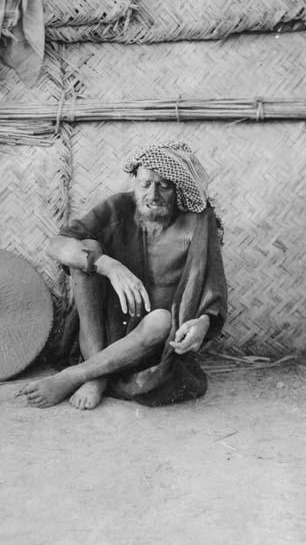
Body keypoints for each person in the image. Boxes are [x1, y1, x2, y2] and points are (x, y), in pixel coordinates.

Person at [17, 141, 228, 409]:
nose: (152, 194)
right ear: (135, 182)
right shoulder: (118, 207)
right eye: (145, 184)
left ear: (179, 189)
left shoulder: (197, 224)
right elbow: (57, 245)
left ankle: (78, 374)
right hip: (107, 330)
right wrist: (109, 266)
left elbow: (213, 291)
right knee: (88, 251)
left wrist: (203, 324)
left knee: (162, 319)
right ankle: (97, 375)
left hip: (152, 344)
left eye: (164, 185)